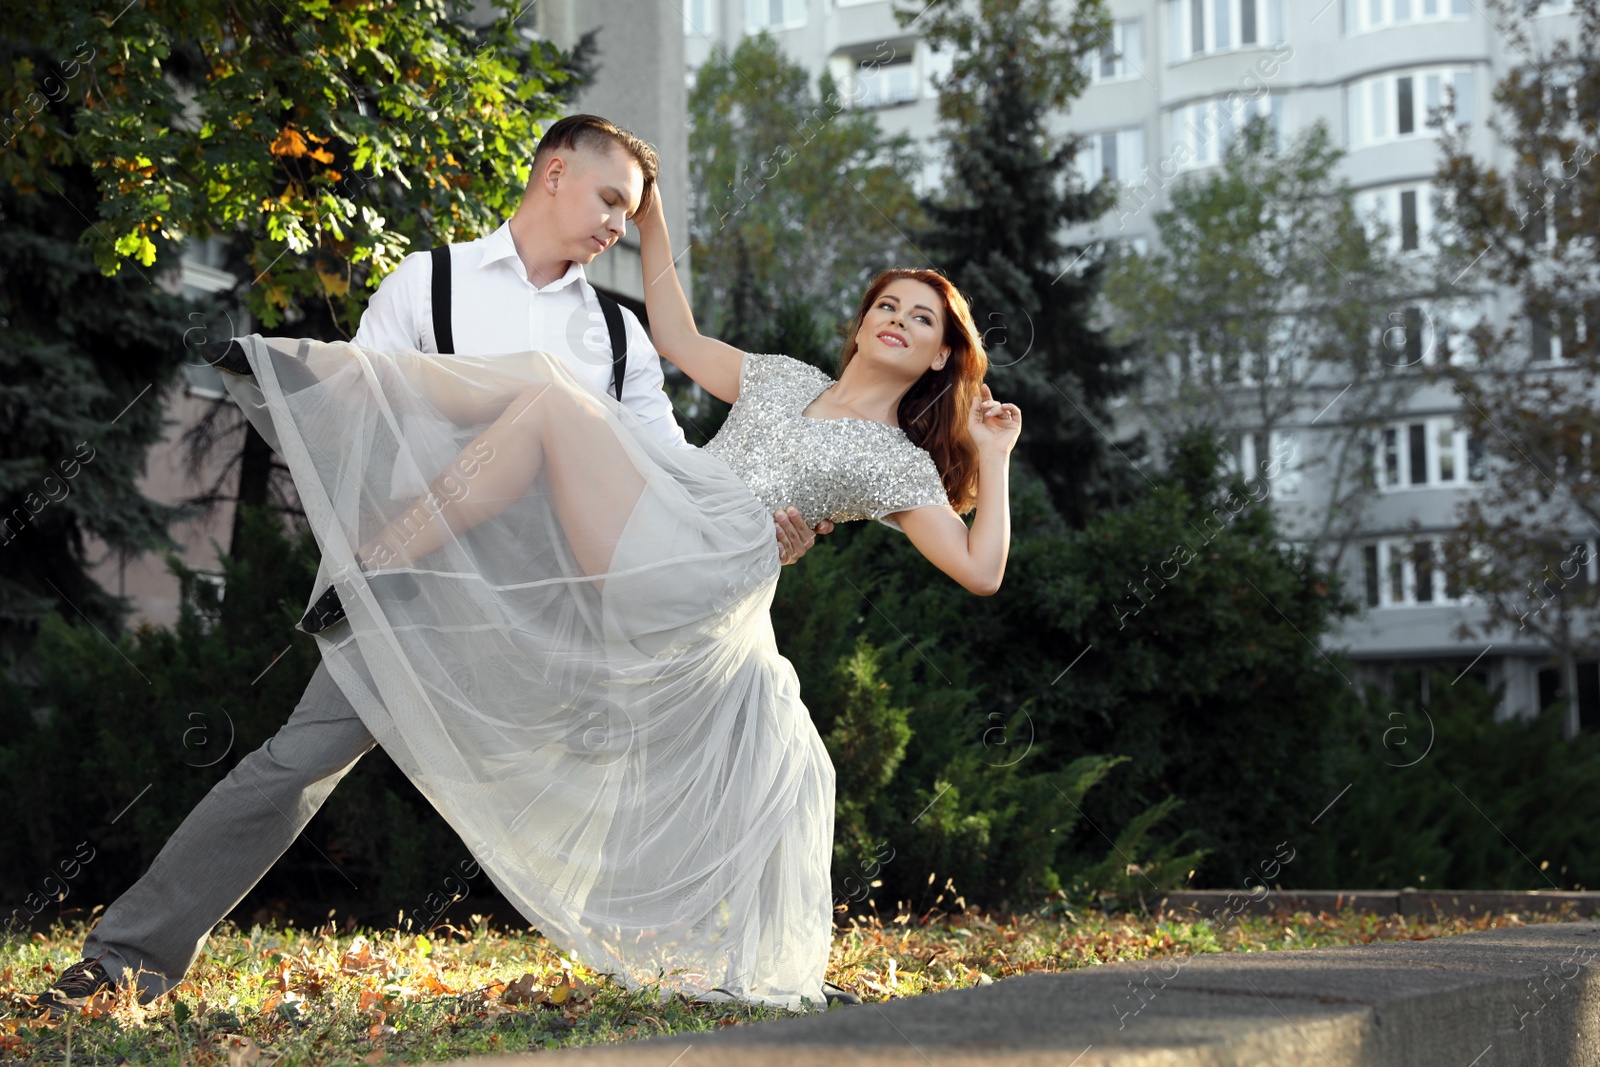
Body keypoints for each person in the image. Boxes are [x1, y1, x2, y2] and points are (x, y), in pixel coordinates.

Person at [130, 178, 1020, 1008]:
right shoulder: (785, 377)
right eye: (887, 305)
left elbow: (981, 572)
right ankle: (375, 550)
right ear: (861, 322)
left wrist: (995, 457)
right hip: (653, 535)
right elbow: (675, 333)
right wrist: (656, 217)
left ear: (945, 353)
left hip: (710, 567)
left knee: (552, 398)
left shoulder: (898, 462)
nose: (898, 320)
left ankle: (331, 384)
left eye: (922, 319)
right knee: (542, 406)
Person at [27, 114, 829, 1018]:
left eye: (632, 214)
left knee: (712, 730)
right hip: (420, 581)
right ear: (554, 173)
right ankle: (124, 960)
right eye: (611, 199)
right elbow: (360, 416)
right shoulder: (428, 280)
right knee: (292, 764)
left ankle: (735, 961)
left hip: (562, 602)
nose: (617, 226)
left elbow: (669, 474)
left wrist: (761, 523)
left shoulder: (620, 334)